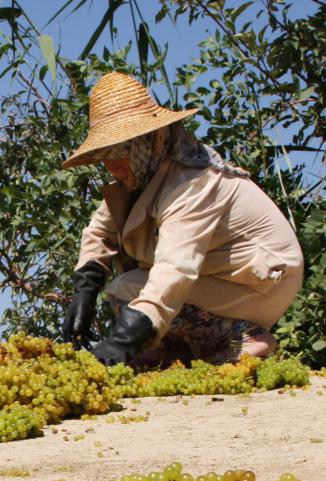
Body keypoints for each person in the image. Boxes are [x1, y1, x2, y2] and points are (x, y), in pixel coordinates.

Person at [60, 72, 304, 367]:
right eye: (105, 156)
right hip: (220, 277)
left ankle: (245, 336)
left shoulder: (192, 182)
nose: (113, 166)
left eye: (120, 153)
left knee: (133, 292)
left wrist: (125, 339)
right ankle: (178, 349)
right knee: (124, 287)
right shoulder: (140, 177)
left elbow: (176, 265)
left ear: (149, 141)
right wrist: (85, 288)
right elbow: (101, 232)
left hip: (258, 282)